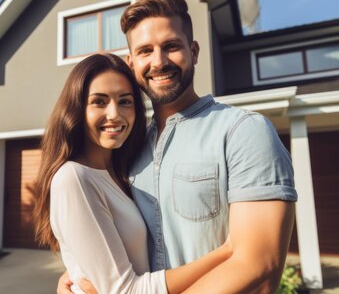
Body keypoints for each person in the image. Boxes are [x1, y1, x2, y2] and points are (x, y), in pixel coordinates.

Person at [57, 0, 298, 294]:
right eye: (145, 51)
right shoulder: (129, 148)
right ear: (132, 63)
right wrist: (81, 270)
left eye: (171, 46)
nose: (158, 62)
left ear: (194, 51)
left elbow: (258, 267)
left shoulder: (244, 132)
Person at [32, 53, 233, 294]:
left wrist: (75, 272)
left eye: (125, 101)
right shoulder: (74, 178)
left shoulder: (122, 173)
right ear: (76, 109)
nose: (115, 114)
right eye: (99, 101)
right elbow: (126, 291)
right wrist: (226, 252)